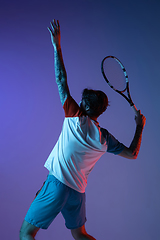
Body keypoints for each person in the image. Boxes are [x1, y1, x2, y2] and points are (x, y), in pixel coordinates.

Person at [19, 19, 146, 240]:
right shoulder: (104, 138)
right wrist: (139, 127)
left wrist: (57, 47)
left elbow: (61, 79)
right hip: (77, 193)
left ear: (85, 106)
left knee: (26, 233)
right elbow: (132, 154)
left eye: (82, 100)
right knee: (80, 235)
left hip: (57, 184)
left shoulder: (74, 117)